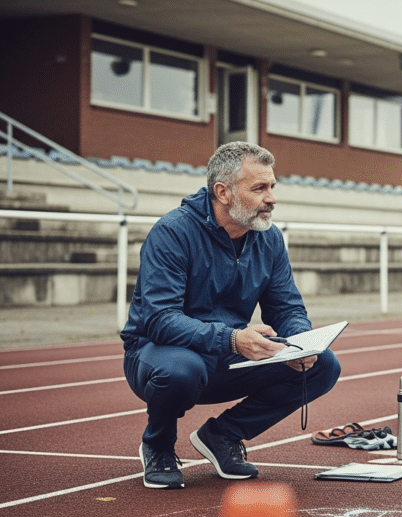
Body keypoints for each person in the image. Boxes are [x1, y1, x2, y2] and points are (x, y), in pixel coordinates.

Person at [121, 141, 341, 489]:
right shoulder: (173, 233)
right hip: (158, 354)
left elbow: (286, 307)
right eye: (259, 188)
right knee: (182, 370)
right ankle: (158, 445)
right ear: (223, 192)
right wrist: (233, 339)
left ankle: (222, 436)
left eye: (272, 187)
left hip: (227, 354)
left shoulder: (268, 238)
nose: (272, 198)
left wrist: (301, 342)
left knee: (323, 365)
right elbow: (159, 320)